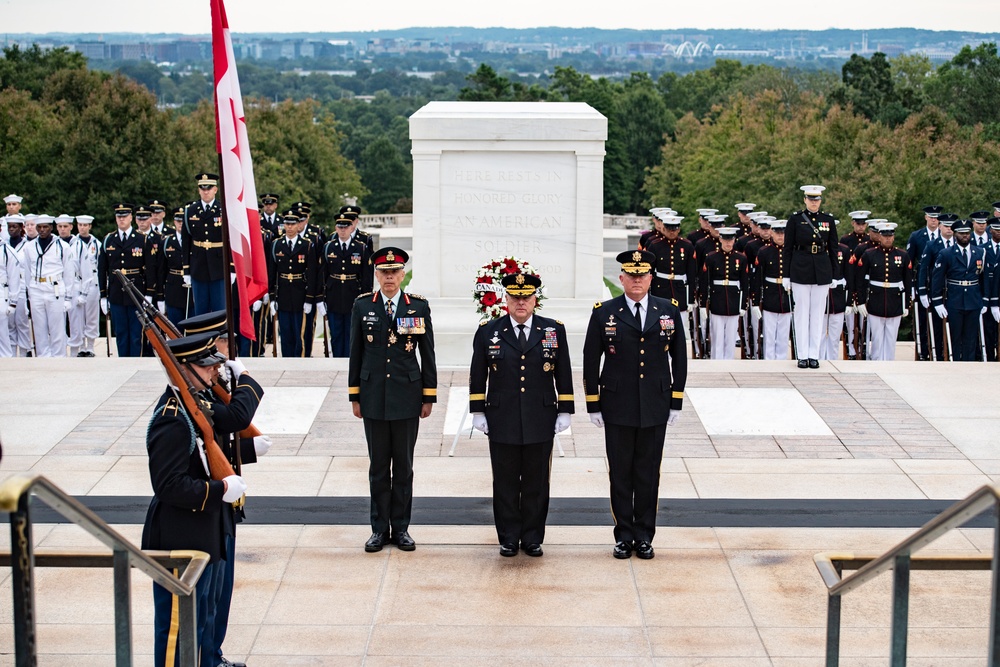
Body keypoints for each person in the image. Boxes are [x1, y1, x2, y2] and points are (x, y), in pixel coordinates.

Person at [141, 331, 260, 667]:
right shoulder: (172, 418)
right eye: (205, 367)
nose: (213, 372)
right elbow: (169, 485)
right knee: (178, 628)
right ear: (182, 369)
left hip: (202, 528)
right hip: (180, 536)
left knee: (204, 615)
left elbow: (210, 452)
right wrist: (220, 491)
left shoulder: (194, 407)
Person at [176, 311, 270, 667]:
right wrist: (246, 377)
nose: (227, 353)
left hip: (222, 502)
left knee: (219, 593)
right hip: (205, 508)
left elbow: (215, 443)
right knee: (204, 596)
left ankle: (212, 655)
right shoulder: (189, 399)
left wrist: (247, 451)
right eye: (223, 344)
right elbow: (233, 419)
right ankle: (203, 657)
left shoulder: (209, 386)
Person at [583, 249, 687, 560]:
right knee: (620, 474)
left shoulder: (668, 311)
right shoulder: (604, 312)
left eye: (643, 275)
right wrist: (593, 403)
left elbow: (679, 358)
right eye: (632, 275)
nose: (637, 280)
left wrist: (676, 400)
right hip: (617, 405)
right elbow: (591, 360)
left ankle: (644, 536)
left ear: (651, 278)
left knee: (648, 473)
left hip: (655, 404)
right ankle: (623, 535)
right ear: (622, 278)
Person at [470, 272, 574, 557]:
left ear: (534, 300)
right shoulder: (488, 331)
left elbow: (563, 373)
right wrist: (478, 410)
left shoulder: (552, 330)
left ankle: (532, 537)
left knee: (536, 482)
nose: (520, 302)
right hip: (501, 417)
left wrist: (565, 410)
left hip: (540, 416)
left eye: (525, 297)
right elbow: (477, 375)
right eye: (515, 297)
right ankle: (507, 536)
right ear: (505, 299)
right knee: (504, 481)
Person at [349, 247, 437, 553]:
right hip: (373, 398)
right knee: (377, 468)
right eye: (384, 272)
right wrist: (354, 395)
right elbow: (356, 353)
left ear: (403, 275)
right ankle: (378, 529)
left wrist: (429, 395)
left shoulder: (418, 307)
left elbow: (428, 354)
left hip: (407, 398)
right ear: (377, 274)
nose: (389, 277)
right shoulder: (363, 306)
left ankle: (400, 529)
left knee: (403, 467)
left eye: (394, 272)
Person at [783, 185, 839, 368]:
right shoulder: (795, 219)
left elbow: (833, 249)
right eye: (811, 199)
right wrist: (786, 275)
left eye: (817, 200)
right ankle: (802, 355)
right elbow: (787, 248)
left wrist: (835, 274)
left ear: (820, 201)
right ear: (805, 200)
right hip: (800, 269)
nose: (814, 202)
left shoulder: (828, 220)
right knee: (801, 313)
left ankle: (814, 354)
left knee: (817, 314)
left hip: (822, 270)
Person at [931, 218, 987, 361]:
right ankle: (955, 365)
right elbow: (937, 279)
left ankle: (969, 365)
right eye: (961, 233)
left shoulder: (980, 252)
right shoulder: (946, 253)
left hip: (973, 300)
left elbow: (984, 279)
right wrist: (937, 302)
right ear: (955, 234)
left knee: (971, 338)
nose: (965, 236)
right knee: (955, 337)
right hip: (955, 299)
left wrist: (984, 300)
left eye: (967, 233)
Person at [99, 203, 151, 357]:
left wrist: (149, 293)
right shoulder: (109, 239)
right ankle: (123, 363)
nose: (121, 219)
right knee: (121, 333)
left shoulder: (142, 239)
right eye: (118, 217)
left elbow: (149, 268)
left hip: (135, 291)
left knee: (136, 333)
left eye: (124, 216)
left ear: (131, 218)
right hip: (116, 291)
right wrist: (103, 295)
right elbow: (102, 269)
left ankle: (135, 362)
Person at [856, 222, 911, 361]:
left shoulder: (903, 255)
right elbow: (860, 279)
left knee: (891, 338)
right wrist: (860, 301)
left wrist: (907, 304)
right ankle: (876, 361)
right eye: (885, 236)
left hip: (895, 301)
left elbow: (908, 282)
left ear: (893, 237)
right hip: (876, 300)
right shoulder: (869, 254)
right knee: (877, 337)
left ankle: (889, 363)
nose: (887, 239)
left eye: (890, 236)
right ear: (879, 236)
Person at [22, 214, 75, 357]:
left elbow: (69, 273)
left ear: (51, 228)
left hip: (55, 288)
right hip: (36, 287)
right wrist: (29, 291)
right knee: (39, 327)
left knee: (57, 327)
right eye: (39, 227)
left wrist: (68, 297)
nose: (42, 230)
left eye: (45, 227)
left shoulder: (62, 246)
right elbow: (27, 270)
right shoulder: (29, 247)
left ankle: (59, 357)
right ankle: (43, 358)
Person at [268, 209, 318, 357]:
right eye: (287, 224)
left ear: (298, 225)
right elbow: (272, 273)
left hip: (300, 293)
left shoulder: (307, 245)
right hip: (283, 294)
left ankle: (301, 359)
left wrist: (309, 299)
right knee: (285, 332)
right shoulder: (276, 244)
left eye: (293, 224)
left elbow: (312, 273)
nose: (289, 227)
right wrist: (272, 298)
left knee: (300, 333)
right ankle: (287, 360)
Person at [321, 215, 372, 357]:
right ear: (336, 228)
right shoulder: (328, 247)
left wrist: (367, 298)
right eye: (340, 227)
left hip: (353, 294)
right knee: (336, 331)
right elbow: (323, 273)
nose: (342, 230)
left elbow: (366, 276)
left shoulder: (361, 248)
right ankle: (337, 357)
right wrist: (321, 298)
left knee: (352, 331)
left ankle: (351, 359)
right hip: (334, 295)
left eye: (346, 227)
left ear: (352, 228)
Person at [183, 173, 225, 316]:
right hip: (198, 266)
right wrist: (186, 270)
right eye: (202, 188)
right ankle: (202, 339)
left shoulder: (223, 209)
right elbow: (186, 242)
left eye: (209, 188)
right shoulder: (190, 211)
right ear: (199, 190)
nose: (206, 191)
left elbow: (230, 240)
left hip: (219, 266)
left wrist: (231, 268)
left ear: (215, 189)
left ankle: (220, 339)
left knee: (220, 309)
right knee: (200, 311)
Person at [918, 214, 957, 361]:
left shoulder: (959, 243)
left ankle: (953, 354)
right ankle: (938, 355)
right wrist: (922, 291)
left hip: (954, 293)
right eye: (946, 226)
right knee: (937, 326)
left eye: (951, 226)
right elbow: (924, 268)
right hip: (937, 292)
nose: (948, 229)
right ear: (940, 226)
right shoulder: (932, 245)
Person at [752, 219, 793, 360]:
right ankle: (769, 361)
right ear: (771, 233)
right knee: (769, 333)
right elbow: (757, 278)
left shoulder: (792, 251)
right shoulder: (764, 252)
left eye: (783, 233)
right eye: (777, 233)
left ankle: (781, 360)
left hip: (787, 295)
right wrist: (756, 302)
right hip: (770, 294)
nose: (780, 236)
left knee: (783, 334)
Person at [906, 206, 942, 360]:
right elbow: (909, 263)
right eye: (931, 216)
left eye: (936, 217)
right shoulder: (916, 236)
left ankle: (940, 351)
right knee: (922, 320)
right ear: (926, 218)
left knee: (939, 320)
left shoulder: (946, 235)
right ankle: (923, 351)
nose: (934, 220)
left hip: (940, 283)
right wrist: (913, 286)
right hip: (923, 282)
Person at [69, 215, 101, 357]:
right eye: (80, 225)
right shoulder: (72, 243)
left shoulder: (97, 244)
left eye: (85, 225)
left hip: (93, 281)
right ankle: (81, 345)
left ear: (90, 227)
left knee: (92, 315)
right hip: (77, 281)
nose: (82, 228)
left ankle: (91, 346)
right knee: (78, 315)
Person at [3, 214, 32, 356]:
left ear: (21, 228)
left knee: (21, 322)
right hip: (7, 287)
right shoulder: (5, 245)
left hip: (22, 286)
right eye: (9, 227)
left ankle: (25, 352)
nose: (11, 230)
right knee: (9, 323)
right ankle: (12, 353)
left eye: (15, 227)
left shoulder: (28, 245)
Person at [160, 208, 192, 327]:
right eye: (178, 220)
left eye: (183, 221)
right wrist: (160, 295)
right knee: (175, 327)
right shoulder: (167, 241)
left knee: (192, 327)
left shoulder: (193, 240)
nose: (180, 223)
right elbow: (162, 270)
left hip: (190, 289)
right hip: (173, 288)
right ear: (174, 221)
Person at [0, 228, 21, 357]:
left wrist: (13, 302)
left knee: (2, 332)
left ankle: (6, 359)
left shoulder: (7, 251)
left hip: (1, 292)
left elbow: (14, 278)